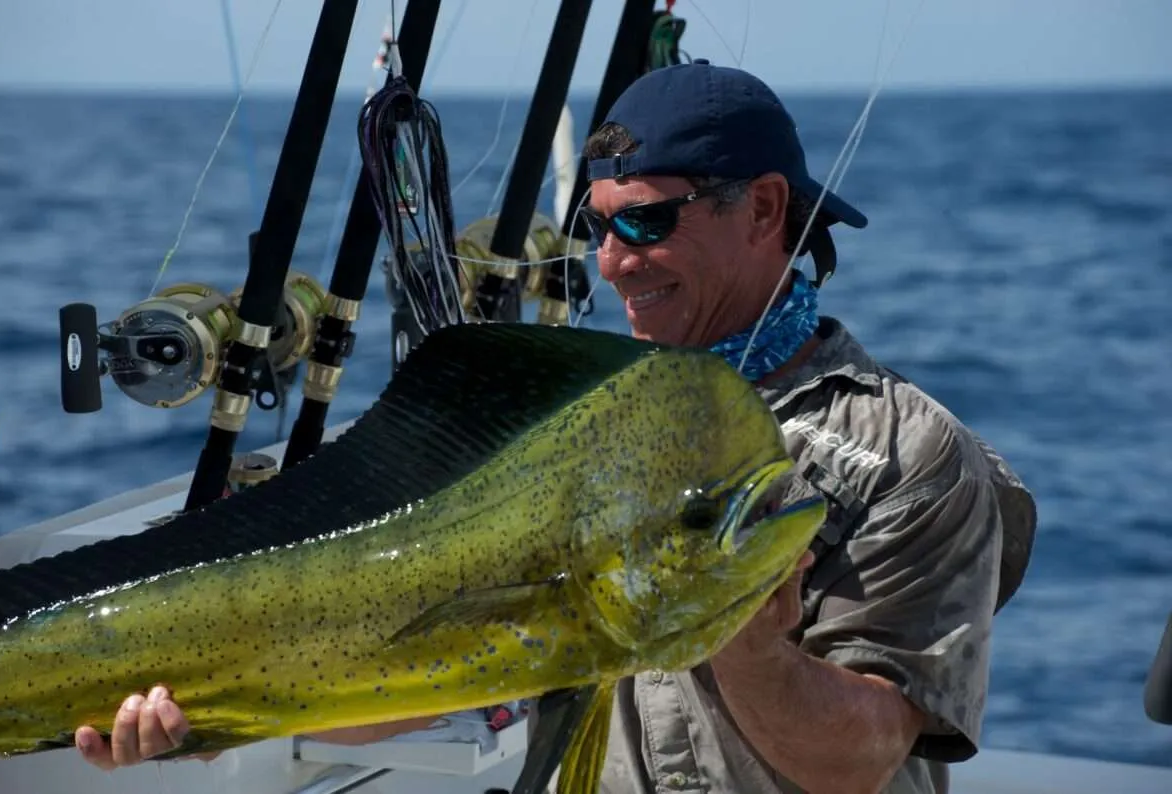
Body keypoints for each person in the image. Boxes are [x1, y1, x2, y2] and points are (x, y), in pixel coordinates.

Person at [75, 60, 1036, 794]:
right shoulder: (573, 426)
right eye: (600, 225)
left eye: (649, 223)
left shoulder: (909, 450)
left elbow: (861, 757)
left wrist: (745, 638)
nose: (614, 265)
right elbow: (438, 671)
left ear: (767, 210)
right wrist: (203, 713)